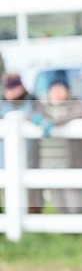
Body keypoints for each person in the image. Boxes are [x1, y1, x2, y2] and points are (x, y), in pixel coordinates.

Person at [33, 75, 82, 213]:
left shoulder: (74, 105)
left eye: (60, 89)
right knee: (58, 202)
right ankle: (67, 232)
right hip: (48, 164)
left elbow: (77, 114)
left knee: (75, 203)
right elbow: (28, 114)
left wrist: (52, 122)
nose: (57, 93)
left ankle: (81, 230)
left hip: (70, 163)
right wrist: (37, 119)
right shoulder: (42, 108)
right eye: (54, 89)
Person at [0, 73, 43, 213]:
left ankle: (34, 221)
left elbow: (43, 118)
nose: (10, 92)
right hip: (3, 158)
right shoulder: (2, 104)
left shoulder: (32, 102)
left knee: (31, 192)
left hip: (29, 156)